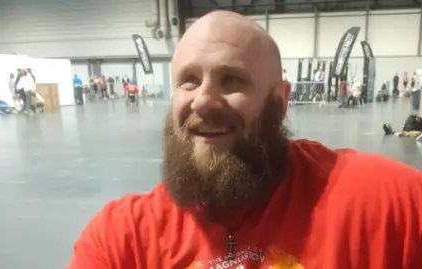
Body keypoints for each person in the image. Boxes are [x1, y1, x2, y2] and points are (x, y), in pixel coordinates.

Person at [67, 11, 422, 269]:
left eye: (232, 80)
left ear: (280, 102)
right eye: (189, 80)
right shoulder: (121, 241)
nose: (203, 100)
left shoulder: (384, 205)